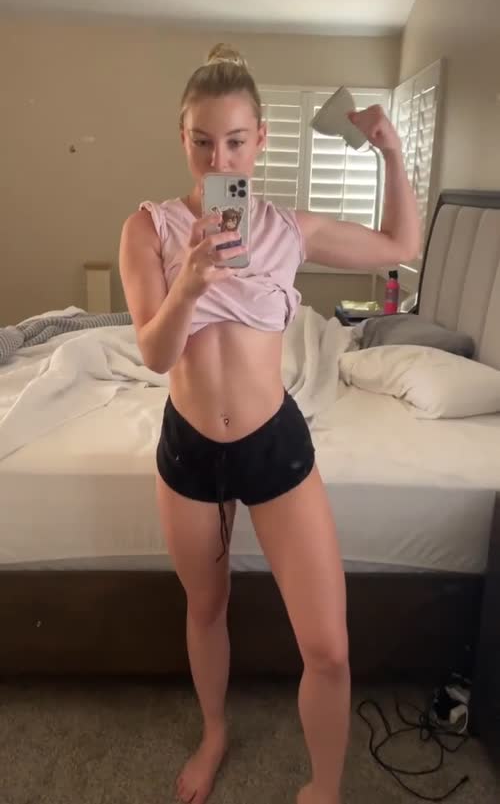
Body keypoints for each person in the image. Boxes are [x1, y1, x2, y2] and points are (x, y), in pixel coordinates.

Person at [119, 43, 420, 804]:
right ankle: (215, 731)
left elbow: (401, 245)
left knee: (328, 647)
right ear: (182, 137)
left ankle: (326, 786)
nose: (217, 159)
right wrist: (189, 283)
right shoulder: (148, 229)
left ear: (260, 139)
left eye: (234, 141)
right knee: (206, 606)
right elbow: (155, 354)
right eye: (202, 141)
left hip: (272, 443)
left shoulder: (290, 229)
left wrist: (391, 152)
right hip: (189, 451)